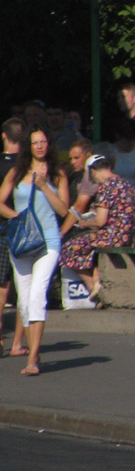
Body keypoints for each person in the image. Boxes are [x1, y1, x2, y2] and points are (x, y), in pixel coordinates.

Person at [0, 123, 70, 375]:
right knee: (24, 302)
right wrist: (15, 216)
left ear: (48, 144)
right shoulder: (16, 172)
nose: (40, 146)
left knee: (37, 296)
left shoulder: (57, 173)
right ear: (27, 147)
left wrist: (42, 187)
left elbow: (64, 210)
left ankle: (33, 359)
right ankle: (33, 350)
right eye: (35, 142)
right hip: (21, 242)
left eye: (43, 141)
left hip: (49, 241)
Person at [59, 155, 135, 304]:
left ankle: (94, 288)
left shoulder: (106, 188)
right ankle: (97, 282)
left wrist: (84, 223)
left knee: (68, 248)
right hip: (126, 237)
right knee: (90, 245)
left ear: (93, 171)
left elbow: (100, 221)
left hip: (111, 237)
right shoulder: (128, 185)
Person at [0, 117, 26, 355]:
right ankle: (18, 342)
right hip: (26, 230)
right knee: (24, 284)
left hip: (3, 224)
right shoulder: (29, 166)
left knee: (1, 283)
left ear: (4, 136)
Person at [60, 139, 98, 238]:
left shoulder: (91, 174)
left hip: (92, 228)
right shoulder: (77, 175)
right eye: (70, 159)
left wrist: (62, 233)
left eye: (77, 158)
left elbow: (80, 206)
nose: (72, 162)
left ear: (89, 155)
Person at [107, 117, 135, 191]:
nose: (130, 143)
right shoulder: (111, 152)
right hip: (118, 193)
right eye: (127, 140)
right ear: (118, 136)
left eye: (133, 139)